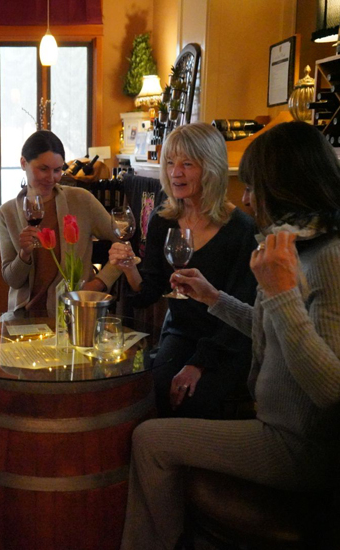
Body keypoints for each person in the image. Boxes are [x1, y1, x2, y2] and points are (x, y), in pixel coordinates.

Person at [120, 120, 340, 550]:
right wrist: (213, 297)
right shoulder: (294, 247)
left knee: (149, 439)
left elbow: (331, 391)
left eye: (256, 187)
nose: (247, 198)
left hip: (297, 447)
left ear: (288, 188)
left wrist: (278, 294)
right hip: (275, 424)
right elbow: (267, 326)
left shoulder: (328, 258)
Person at [109, 122, 257, 419]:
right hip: (181, 333)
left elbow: (244, 311)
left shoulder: (242, 229)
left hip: (227, 341)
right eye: (171, 163)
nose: (175, 172)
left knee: (196, 397)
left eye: (187, 164)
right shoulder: (163, 220)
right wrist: (128, 269)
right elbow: (150, 289)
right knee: (154, 388)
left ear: (211, 169)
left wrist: (197, 365)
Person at [0, 129, 121, 317]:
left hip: (73, 314)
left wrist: (97, 284)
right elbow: (12, 280)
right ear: (23, 163)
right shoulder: (7, 213)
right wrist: (24, 254)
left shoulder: (81, 200)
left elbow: (123, 242)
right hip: (25, 315)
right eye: (43, 169)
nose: (52, 178)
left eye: (57, 170)